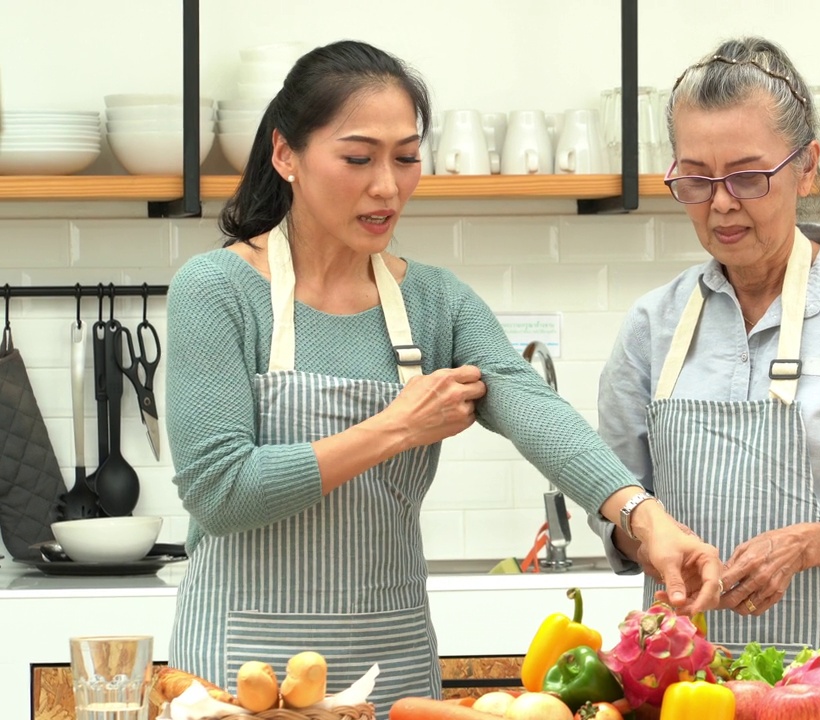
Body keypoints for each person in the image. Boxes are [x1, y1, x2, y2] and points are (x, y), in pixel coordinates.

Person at [164, 40, 722, 711]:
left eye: (405, 157)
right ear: (286, 155)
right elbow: (220, 491)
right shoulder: (218, 290)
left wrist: (644, 516)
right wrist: (398, 426)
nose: (387, 186)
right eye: (358, 157)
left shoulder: (435, 303)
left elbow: (534, 410)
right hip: (241, 678)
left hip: (391, 669)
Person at [590, 37, 820, 720]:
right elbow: (614, 500)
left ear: (806, 166)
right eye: (697, 180)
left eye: (748, 176)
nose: (722, 204)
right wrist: (644, 537)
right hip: (688, 695)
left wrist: (806, 545)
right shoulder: (653, 325)